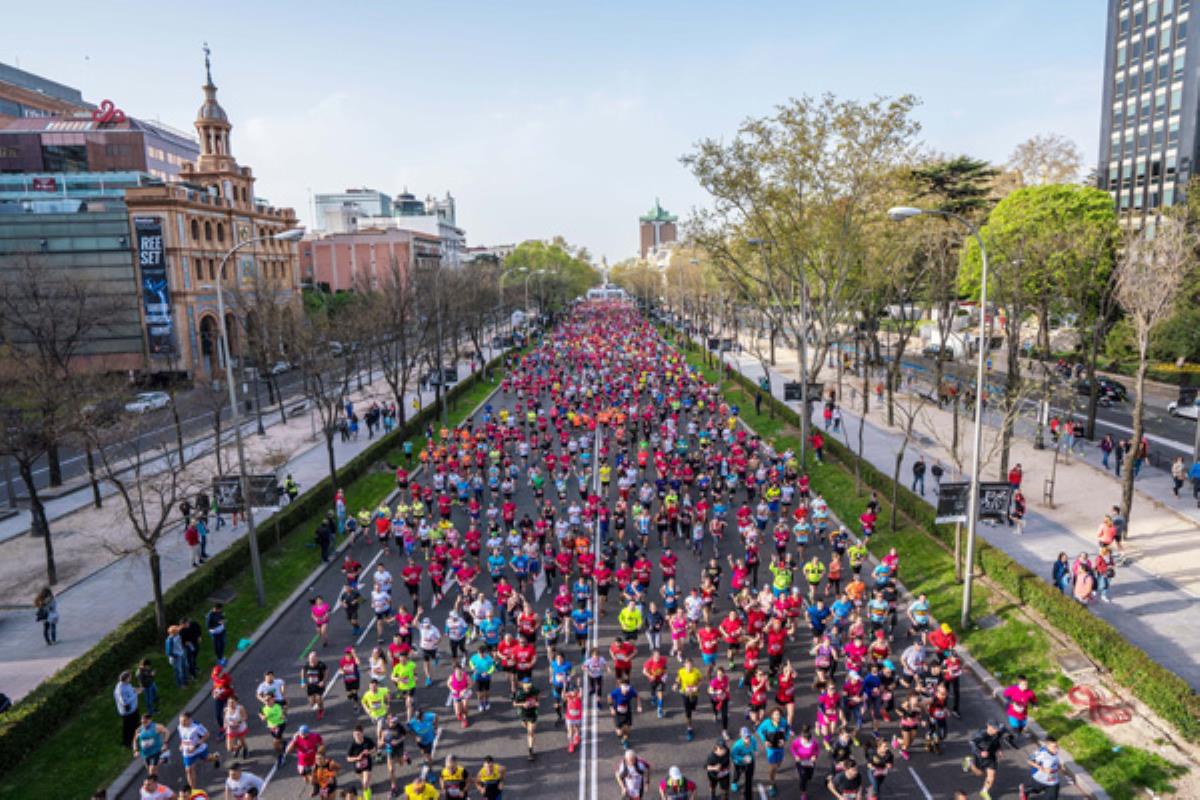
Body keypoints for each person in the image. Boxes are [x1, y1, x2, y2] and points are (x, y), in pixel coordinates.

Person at [178, 711, 221, 791]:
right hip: (188, 752)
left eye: (184, 721)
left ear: (189, 719)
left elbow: (207, 734)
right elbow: (182, 737)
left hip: (200, 749)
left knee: (207, 759)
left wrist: (196, 746)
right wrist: (181, 744)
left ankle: (216, 757)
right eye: (180, 721)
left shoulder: (196, 726)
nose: (182, 723)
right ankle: (193, 790)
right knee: (189, 770)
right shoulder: (180, 726)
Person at [962, 719, 1004, 800]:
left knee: (991, 776)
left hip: (991, 757)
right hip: (980, 757)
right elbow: (972, 743)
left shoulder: (997, 734)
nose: (997, 730)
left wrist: (999, 749)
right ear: (989, 726)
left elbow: (997, 742)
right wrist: (980, 752)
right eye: (995, 728)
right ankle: (969, 761)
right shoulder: (981, 735)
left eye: (997, 728)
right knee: (979, 774)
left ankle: (984, 791)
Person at [512, 675, 541, 760]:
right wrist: (523, 704)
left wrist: (536, 703)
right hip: (523, 713)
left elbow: (538, 700)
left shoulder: (535, 690)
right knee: (526, 727)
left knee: (530, 732)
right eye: (526, 685)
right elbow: (514, 704)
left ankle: (531, 752)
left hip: (532, 713)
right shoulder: (519, 693)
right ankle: (525, 724)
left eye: (529, 686)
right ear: (523, 685)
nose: (528, 688)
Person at [730, 727, 759, 800]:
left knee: (749, 776)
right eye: (745, 737)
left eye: (748, 736)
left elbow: (755, 746)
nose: (748, 739)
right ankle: (734, 782)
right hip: (739, 763)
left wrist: (755, 750)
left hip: (750, 760)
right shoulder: (737, 745)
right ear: (741, 737)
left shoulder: (752, 739)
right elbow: (733, 756)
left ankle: (747, 788)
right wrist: (742, 759)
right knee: (737, 774)